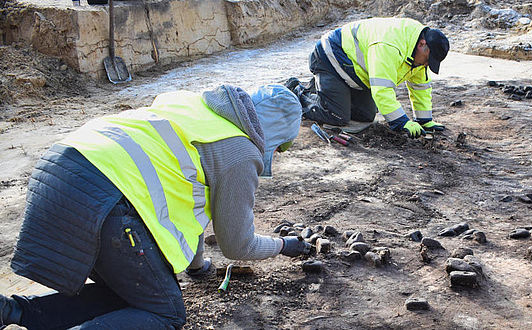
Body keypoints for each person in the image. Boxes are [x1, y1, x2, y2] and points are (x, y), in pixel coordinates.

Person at [0, 84, 311, 329]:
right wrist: (284, 245)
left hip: (60, 171)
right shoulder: (241, 152)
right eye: (280, 148)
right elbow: (237, 244)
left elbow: (189, 201)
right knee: (166, 313)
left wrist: (197, 265)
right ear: (274, 135)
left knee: (131, 294)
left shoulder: (196, 107)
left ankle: (12, 312)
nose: (276, 154)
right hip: (105, 192)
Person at [289, 17, 450, 138]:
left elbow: (420, 87)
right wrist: (401, 122)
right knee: (337, 116)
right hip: (330, 58)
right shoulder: (389, 46)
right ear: (422, 44)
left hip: (355, 73)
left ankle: (327, 91)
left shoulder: (417, 51)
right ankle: (299, 93)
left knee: (365, 116)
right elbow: (382, 90)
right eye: (428, 60)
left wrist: (424, 120)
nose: (426, 65)